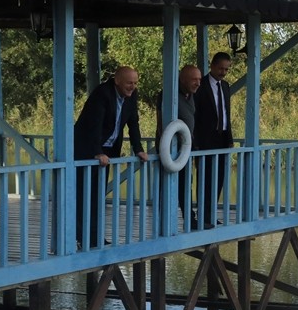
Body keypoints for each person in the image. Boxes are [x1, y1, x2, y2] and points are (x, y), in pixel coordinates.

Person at [73, 66, 149, 248]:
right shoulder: (102, 94)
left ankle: (96, 236)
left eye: (135, 83)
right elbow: (94, 125)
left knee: (97, 195)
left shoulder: (132, 96)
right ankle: (82, 237)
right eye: (129, 83)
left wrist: (138, 148)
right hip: (86, 149)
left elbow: (134, 122)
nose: (133, 86)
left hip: (106, 151)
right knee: (84, 195)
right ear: (117, 81)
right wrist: (97, 151)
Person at [155, 64, 202, 228]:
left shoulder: (191, 95)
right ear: (182, 79)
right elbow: (162, 123)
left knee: (185, 185)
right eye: (194, 79)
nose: (198, 83)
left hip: (185, 149)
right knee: (165, 186)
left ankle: (190, 219)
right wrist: (165, 147)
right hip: (169, 149)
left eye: (199, 79)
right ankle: (163, 222)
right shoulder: (168, 94)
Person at [193, 52, 233, 228]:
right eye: (220, 68)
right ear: (212, 66)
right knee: (205, 178)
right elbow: (196, 115)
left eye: (226, 69)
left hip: (222, 137)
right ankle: (203, 215)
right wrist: (195, 142)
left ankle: (211, 214)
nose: (223, 72)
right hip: (205, 140)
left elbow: (226, 114)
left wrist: (230, 138)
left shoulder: (225, 86)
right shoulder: (200, 86)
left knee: (219, 178)